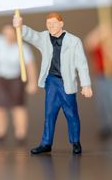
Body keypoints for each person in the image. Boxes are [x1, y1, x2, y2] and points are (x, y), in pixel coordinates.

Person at [12, 12, 92, 155]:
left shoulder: (74, 41)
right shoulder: (44, 38)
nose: (51, 26)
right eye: (48, 24)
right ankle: (46, 143)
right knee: (49, 113)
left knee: (71, 114)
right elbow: (32, 36)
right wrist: (20, 27)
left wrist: (85, 84)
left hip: (66, 82)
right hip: (51, 82)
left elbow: (82, 64)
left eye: (53, 23)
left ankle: (75, 142)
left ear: (61, 24)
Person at [0, 15, 37, 146]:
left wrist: (32, 82)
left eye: (9, 33)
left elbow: (30, 66)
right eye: (5, 33)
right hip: (2, 79)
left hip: (16, 80)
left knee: (18, 107)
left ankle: (21, 135)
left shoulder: (23, 48)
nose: (7, 36)